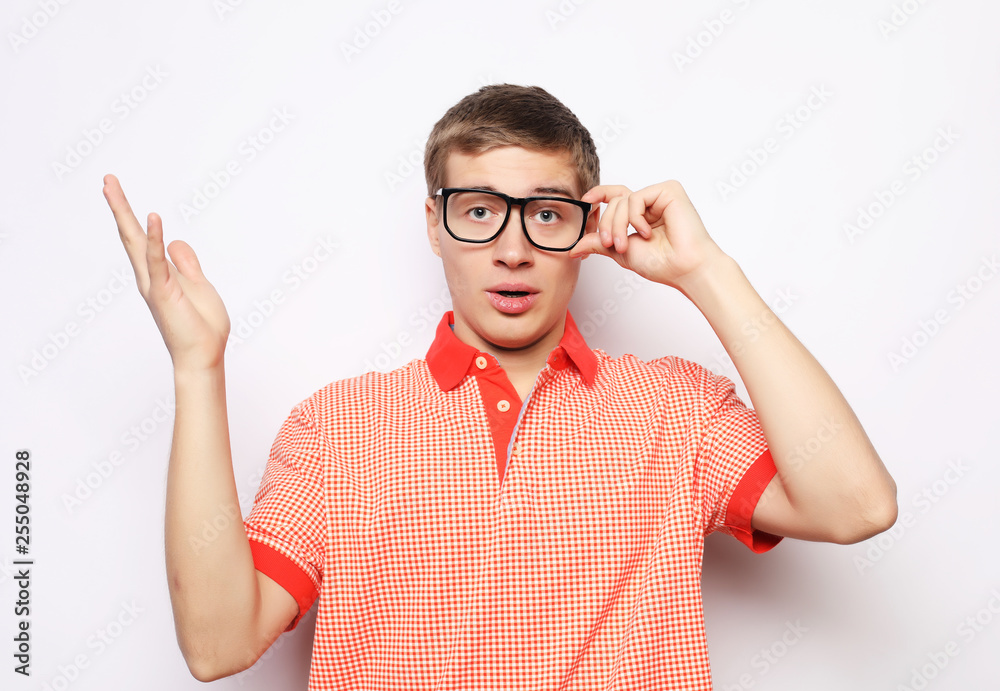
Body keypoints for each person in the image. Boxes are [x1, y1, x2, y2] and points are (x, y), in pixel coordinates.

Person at [103, 84, 897, 689]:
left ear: (588, 226)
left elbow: (858, 505)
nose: (513, 249)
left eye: (545, 214)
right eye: (479, 210)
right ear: (434, 223)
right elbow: (217, 644)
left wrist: (705, 272)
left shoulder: (678, 409)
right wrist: (197, 368)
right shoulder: (335, 427)